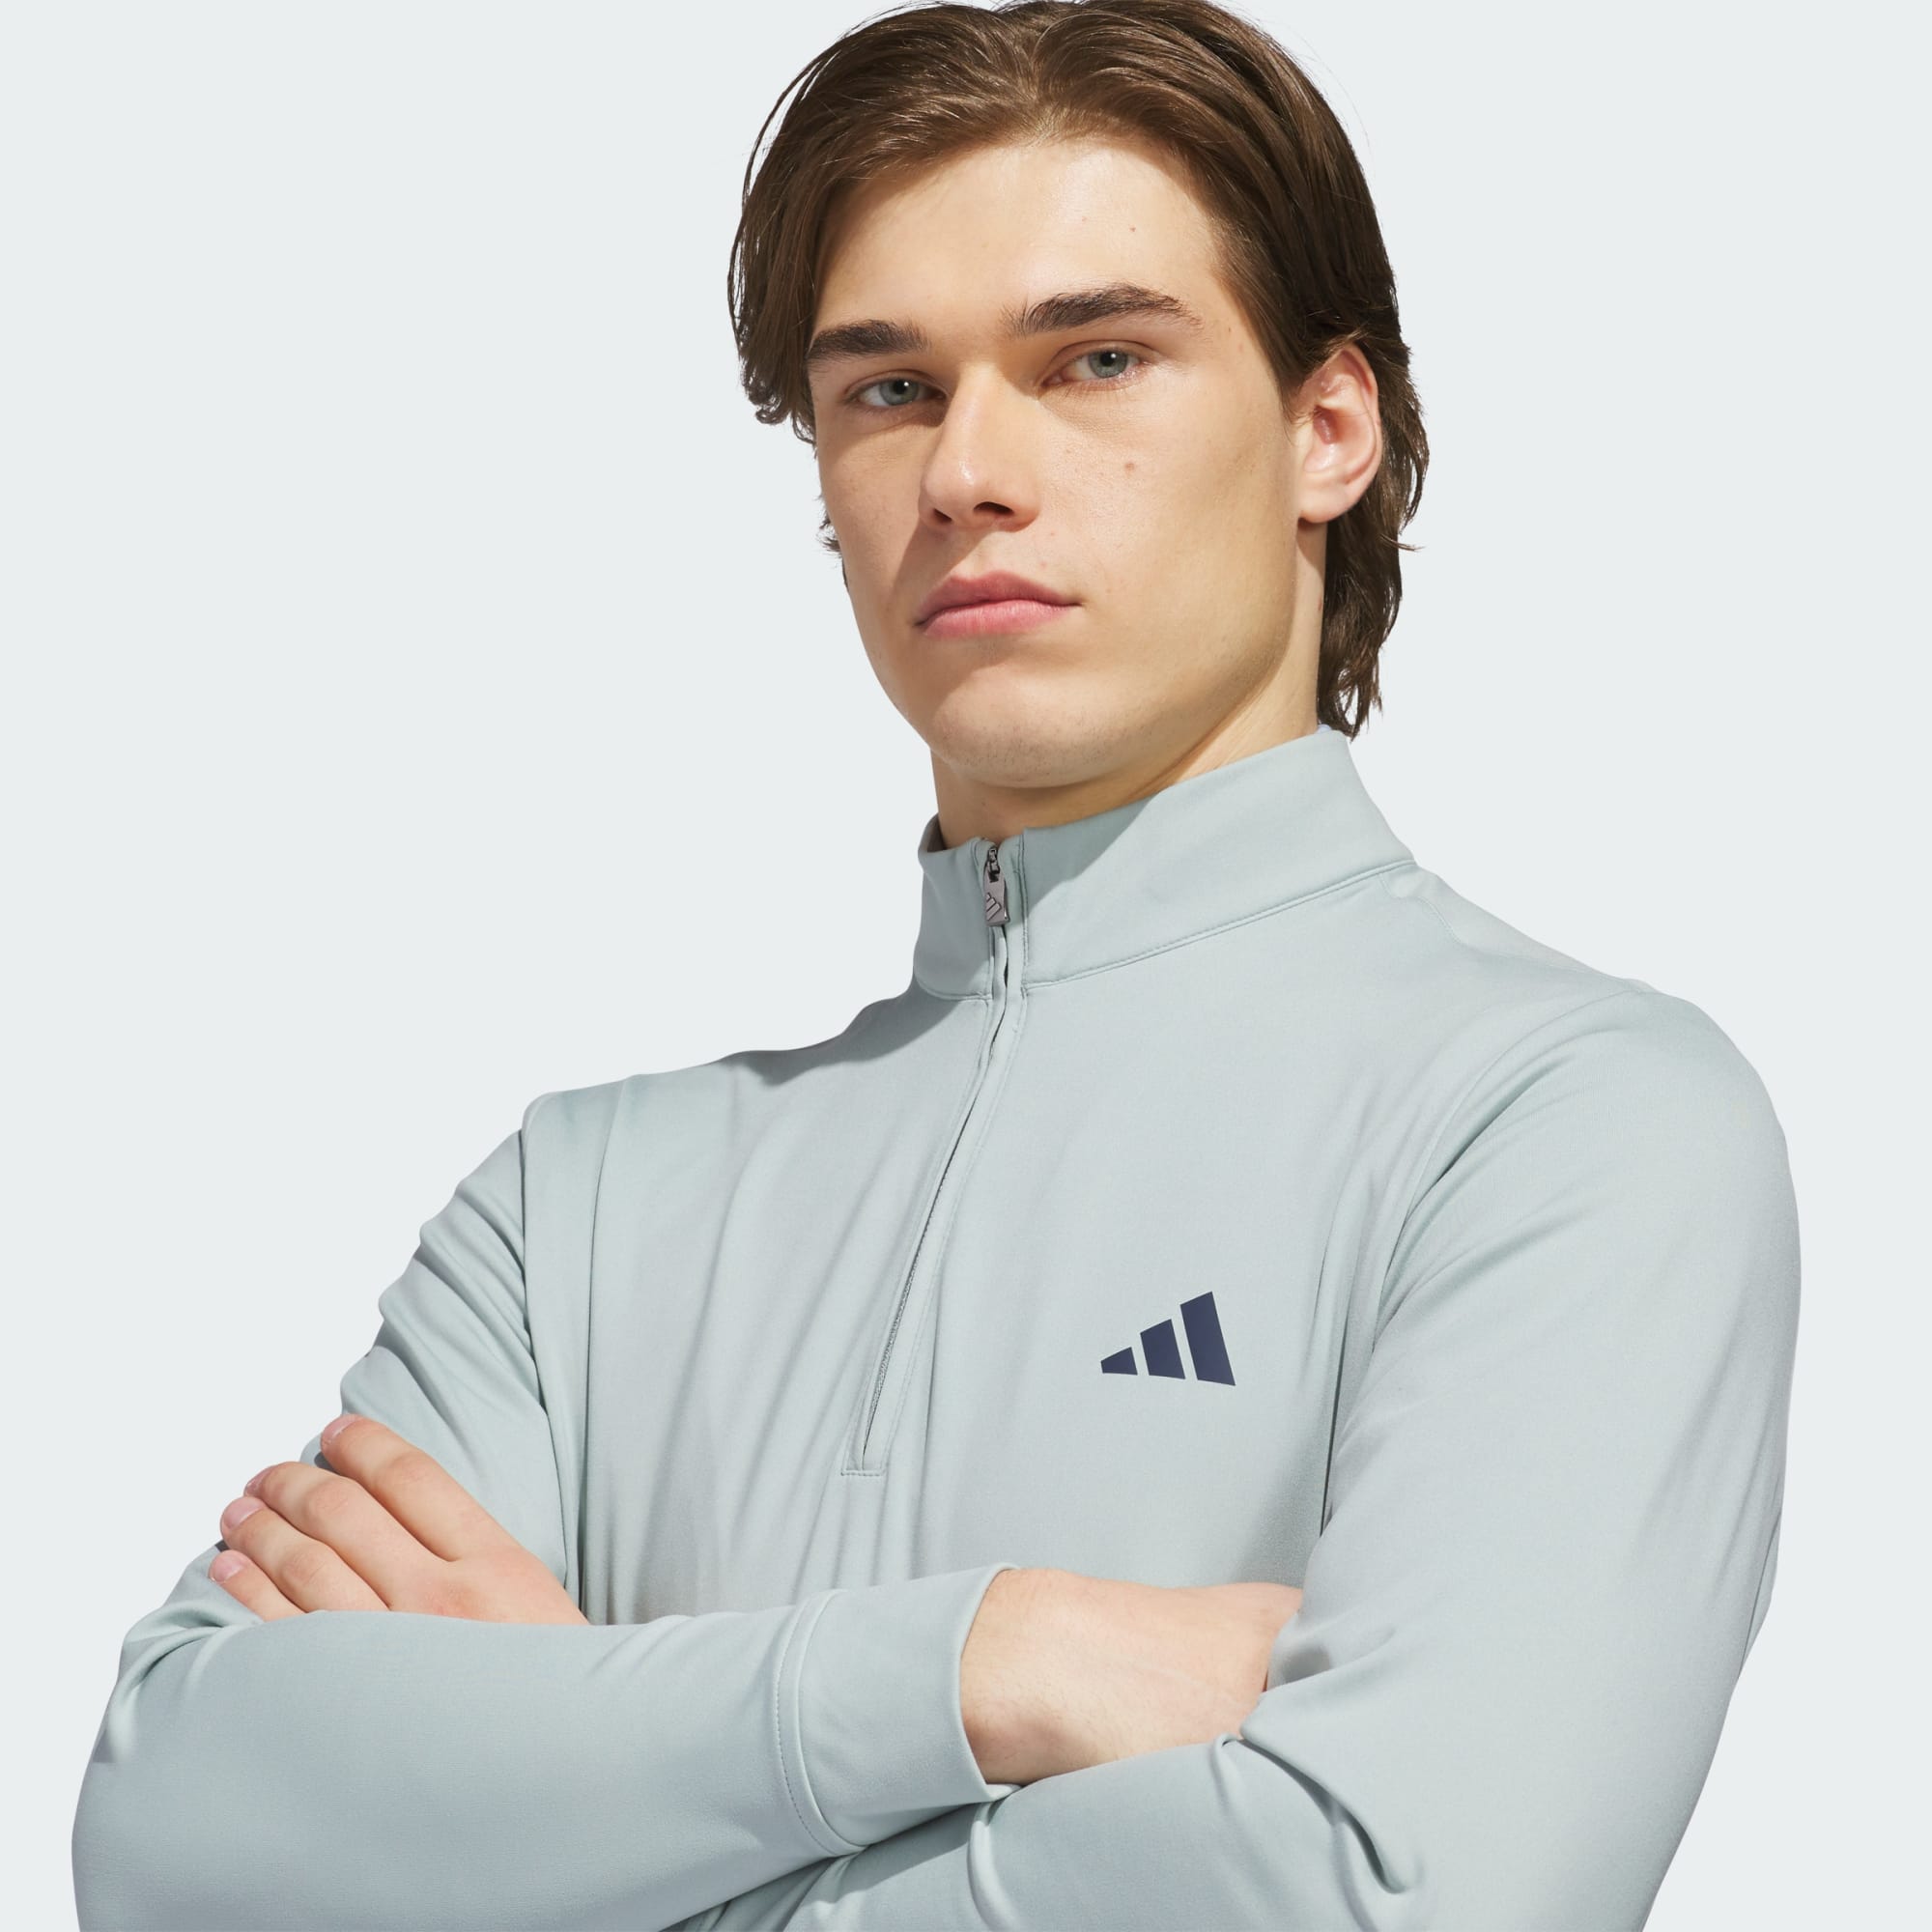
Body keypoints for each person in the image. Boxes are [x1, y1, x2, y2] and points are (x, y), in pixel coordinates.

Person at [71, 3, 1800, 1927]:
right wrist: (992, 1661)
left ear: (1330, 427)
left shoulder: (1569, 1123)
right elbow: (170, 1843)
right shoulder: (580, 1211)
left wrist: (563, 1803)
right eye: (889, 388)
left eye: (1097, 359)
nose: (970, 468)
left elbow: (1392, 1896)